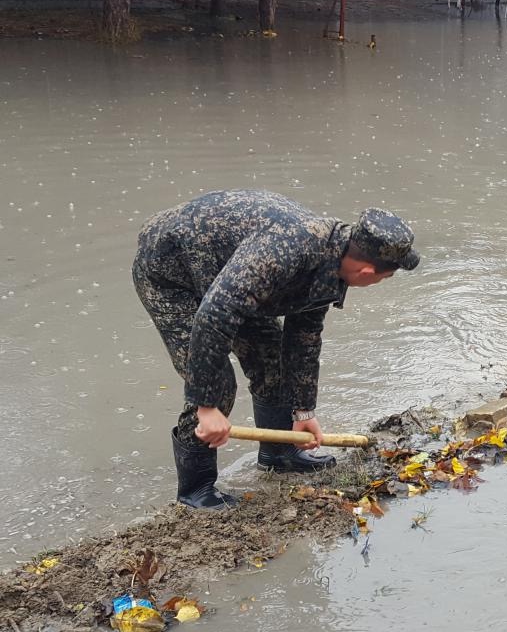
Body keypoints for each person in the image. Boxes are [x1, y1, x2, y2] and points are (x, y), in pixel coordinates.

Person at [133, 190, 420, 510]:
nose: (379, 282)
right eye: (385, 277)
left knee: (272, 362)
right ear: (367, 272)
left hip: (230, 276)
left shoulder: (332, 259)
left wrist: (303, 411)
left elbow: (304, 337)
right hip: (172, 270)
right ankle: (195, 490)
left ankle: (278, 454)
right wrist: (205, 406)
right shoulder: (285, 252)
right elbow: (214, 317)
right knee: (218, 385)